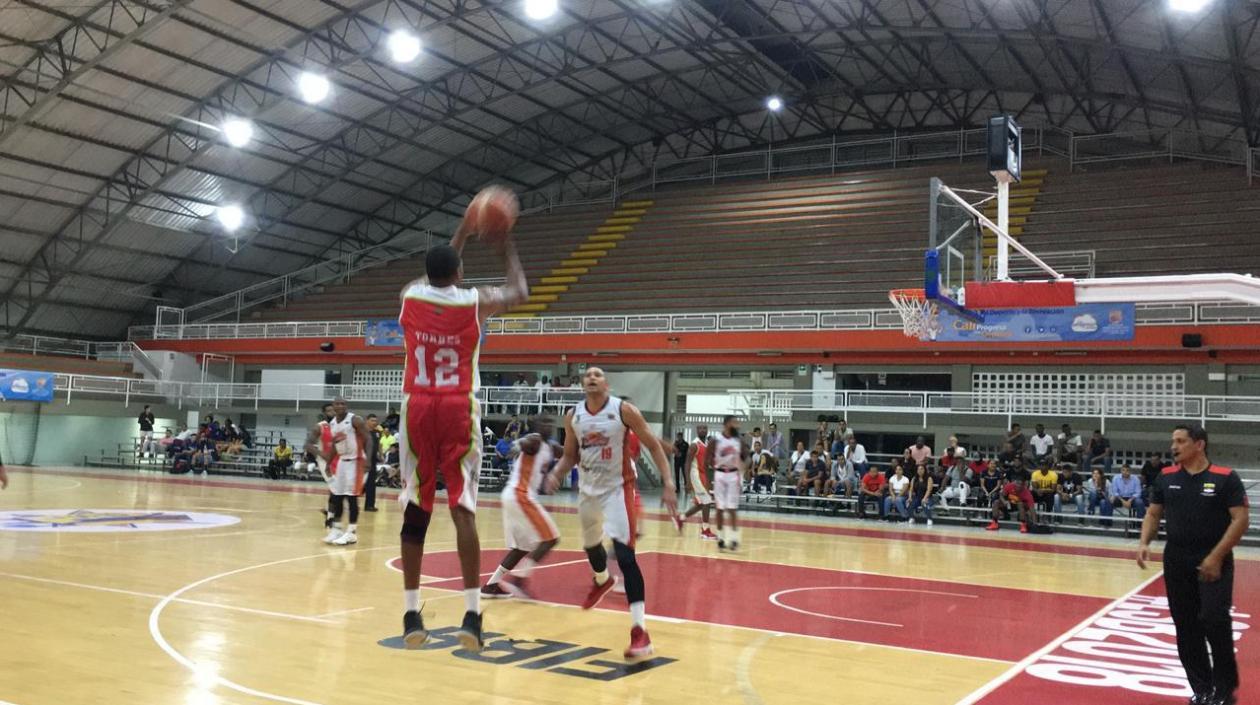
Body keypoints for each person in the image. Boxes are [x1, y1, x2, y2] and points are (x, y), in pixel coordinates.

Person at [396, 216, 528, 652]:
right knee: (462, 508)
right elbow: (520, 292)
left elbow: (435, 274)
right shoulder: (473, 301)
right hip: (457, 406)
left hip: (417, 407)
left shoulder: (410, 297)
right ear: (458, 272)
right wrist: (505, 244)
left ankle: (411, 612)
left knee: (417, 507)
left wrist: (461, 236)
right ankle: (472, 615)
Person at [544, 366, 679, 661]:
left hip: (618, 490)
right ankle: (602, 580)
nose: (592, 378)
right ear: (582, 384)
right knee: (591, 547)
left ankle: (639, 631)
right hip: (588, 490)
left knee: (626, 555)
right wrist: (556, 474)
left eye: (597, 374)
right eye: (587, 375)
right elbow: (570, 455)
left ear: (607, 384)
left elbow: (654, 446)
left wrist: (668, 482)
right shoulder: (573, 416)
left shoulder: (624, 410)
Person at [1138, 425, 1248, 705]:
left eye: (1180, 441)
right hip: (1176, 559)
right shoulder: (1165, 477)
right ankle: (1202, 689)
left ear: (1199, 445)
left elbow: (1240, 520)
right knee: (1186, 626)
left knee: (1214, 619)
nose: (1173, 446)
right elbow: (1153, 514)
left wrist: (1215, 556)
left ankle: (1224, 689)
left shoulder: (1225, 478)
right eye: (1172, 440)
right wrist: (1144, 542)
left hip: (1214, 559)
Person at [482, 415, 562, 600]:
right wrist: (516, 446)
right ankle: (519, 579)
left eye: (551, 422)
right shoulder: (533, 440)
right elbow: (522, 443)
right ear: (535, 426)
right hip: (520, 495)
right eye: (544, 422)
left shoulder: (549, 447)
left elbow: (569, 452)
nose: (548, 425)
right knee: (551, 538)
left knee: (521, 548)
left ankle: (491, 585)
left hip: (514, 497)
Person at [319, 397, 369, 546]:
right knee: (337, 496)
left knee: (352, 498)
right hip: (342, 461)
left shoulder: (355, 420)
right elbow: (335, 446)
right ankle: (337, 529)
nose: (340, 406)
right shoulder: (333, 423)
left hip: (356, 461)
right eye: (337, 404)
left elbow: (369, 438)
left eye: (343, 404)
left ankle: (352, 533)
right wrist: (328, 463)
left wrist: (370, 460)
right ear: (333, 406)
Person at [709, 415, 746, 551]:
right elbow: (708, 458)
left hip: (733, 474)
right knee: (719, 508)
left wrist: (741, 476)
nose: (737, 424)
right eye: (734, 422)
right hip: (719, 474)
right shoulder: (716, 439)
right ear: (726, 424)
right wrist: (707, 479)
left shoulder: (738, 440)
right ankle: (721, 538)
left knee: (732, 508)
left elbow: (745, 459)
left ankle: (735, 538)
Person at [679, 424, 717, 540]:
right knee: (707, 501)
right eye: (700, 428)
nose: (703, 430)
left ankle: (681, 518)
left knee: (701, 504)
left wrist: (709, 480)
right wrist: (687, 482)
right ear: (696, 430)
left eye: (705, 428)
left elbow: (707, 464)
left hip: (702, 475)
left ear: (707, 430)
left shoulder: (706, 445)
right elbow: (687, 463)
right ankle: (705, 530)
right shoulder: (694, 445)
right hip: (695, 475)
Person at [363, 414, 381, 512]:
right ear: (367, 421)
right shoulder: (362, 432)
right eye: (372, 420)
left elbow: (378, 445)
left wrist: (380, 455)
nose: (374, 422)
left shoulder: (377, 433)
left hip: (373, 461)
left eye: (376, 421)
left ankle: (369, 505)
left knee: (371, 484)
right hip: (363, 461)